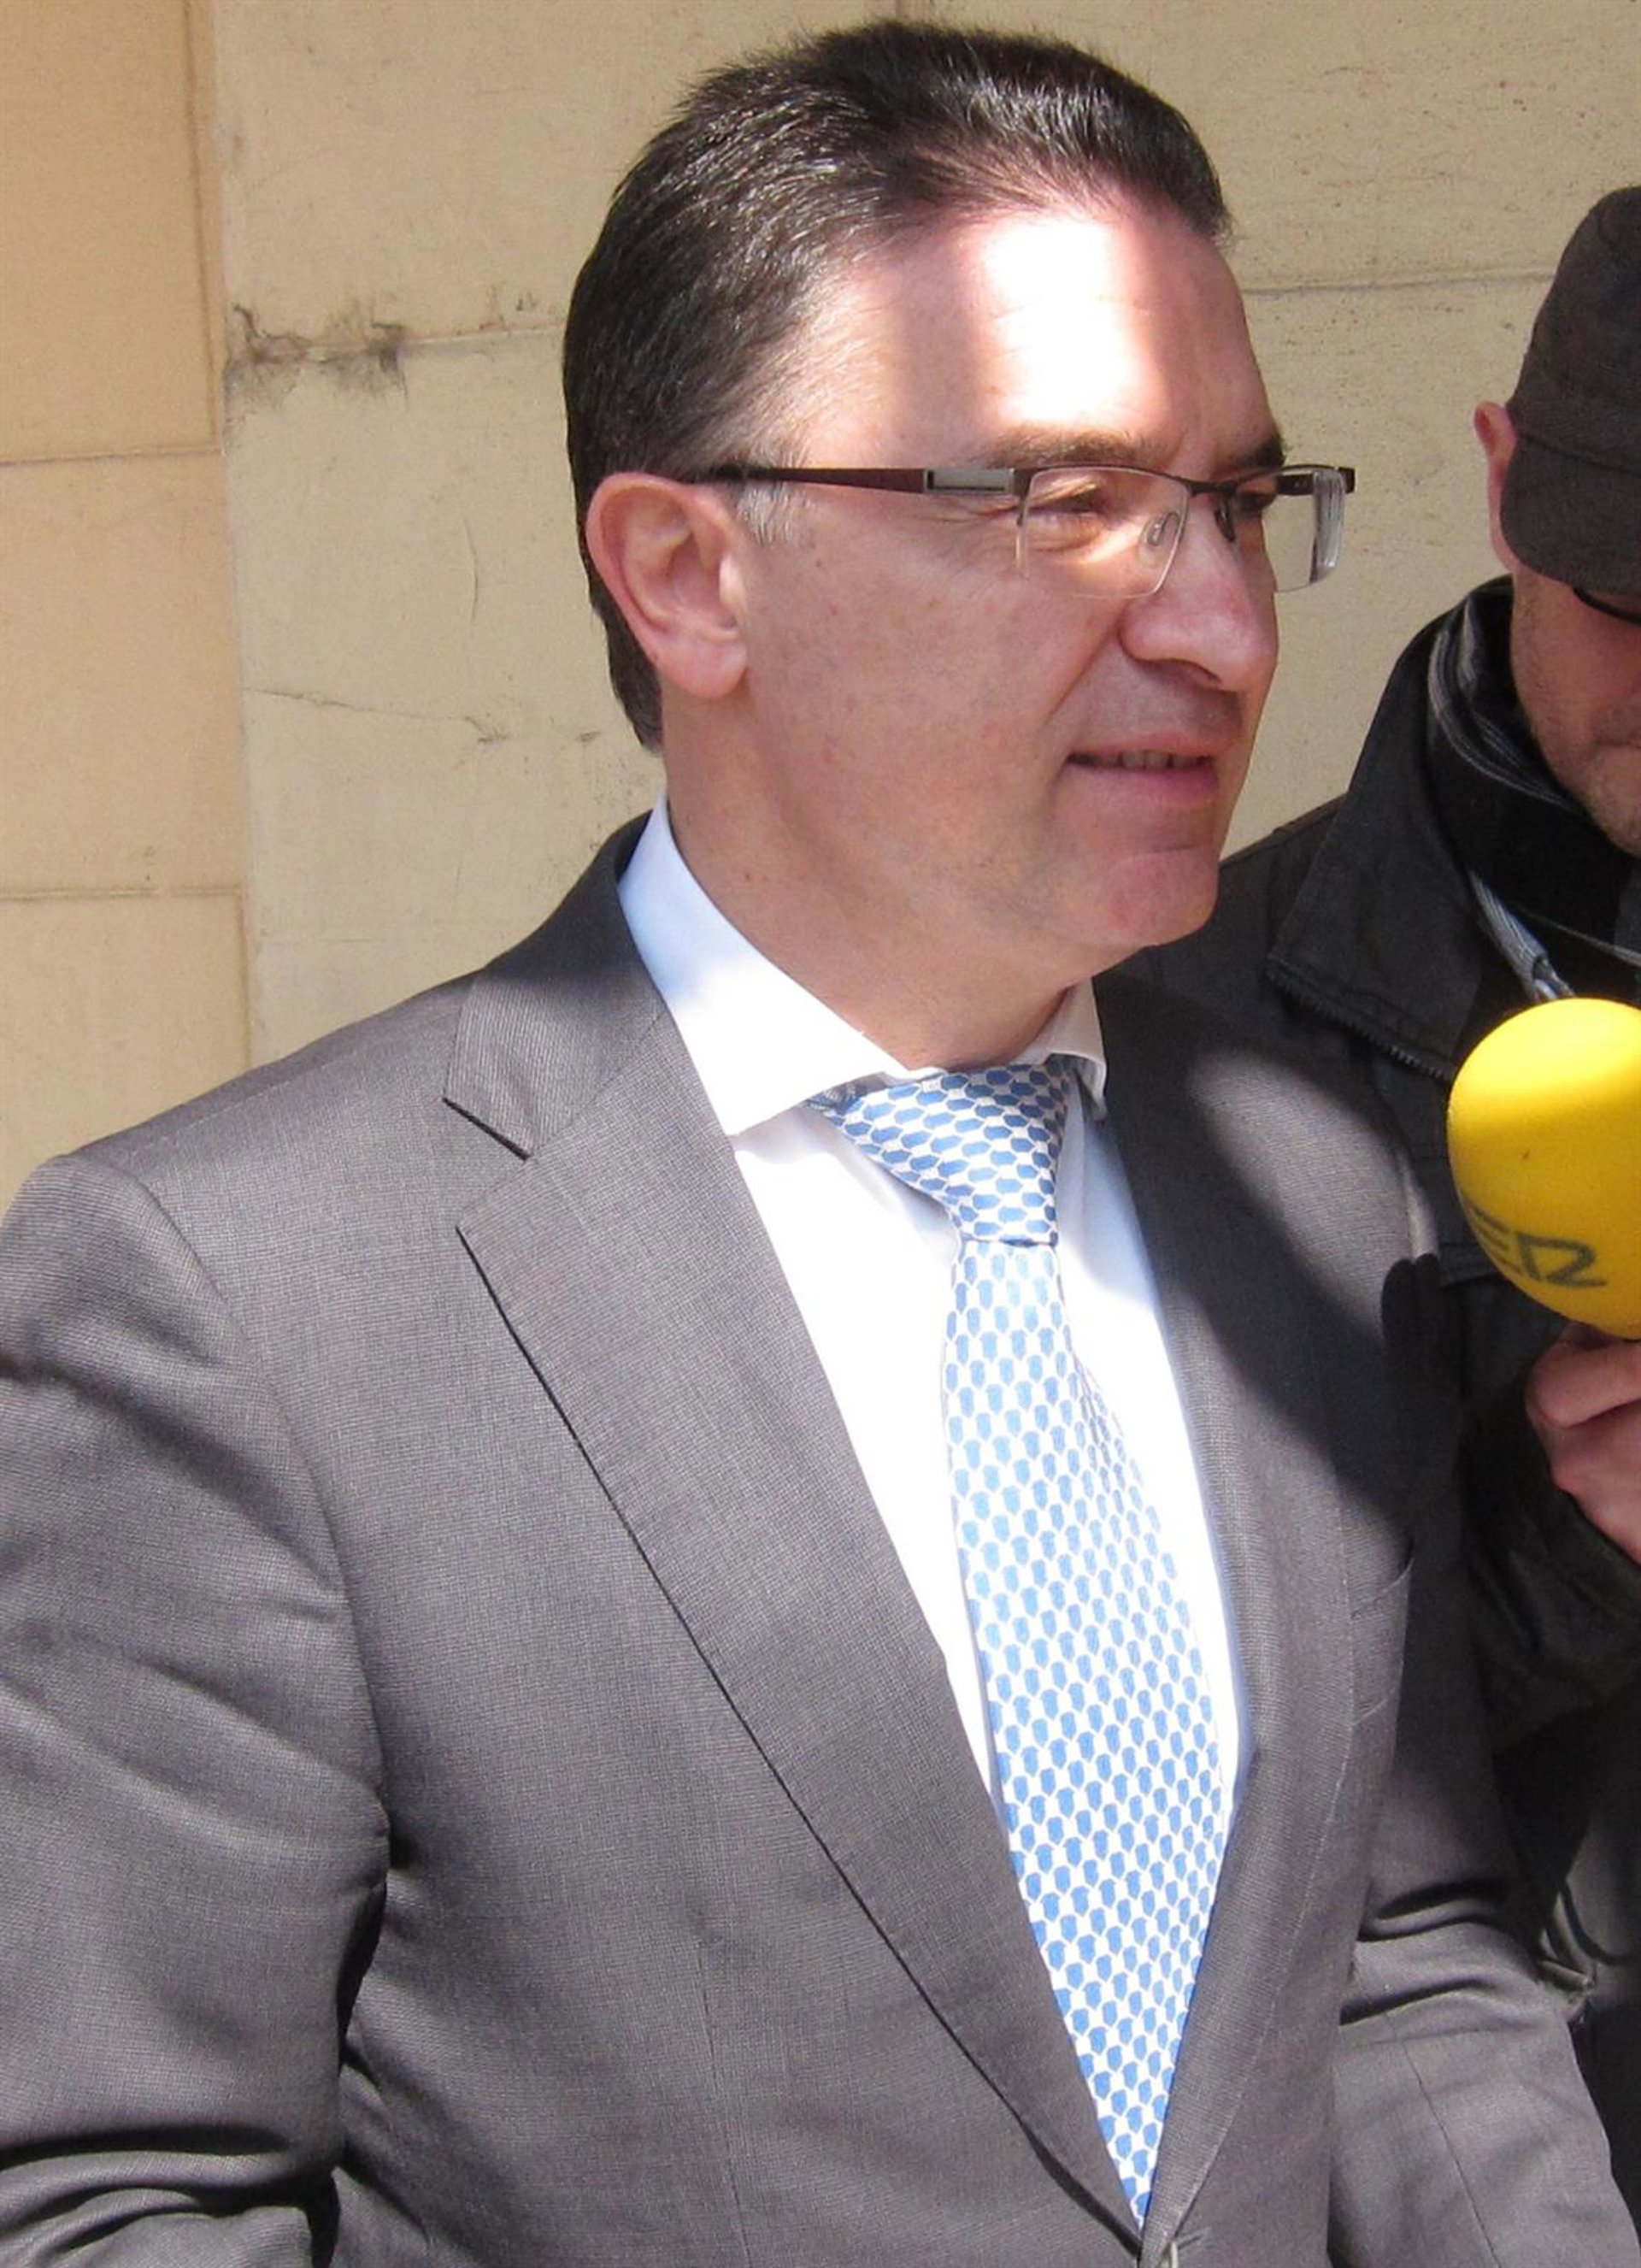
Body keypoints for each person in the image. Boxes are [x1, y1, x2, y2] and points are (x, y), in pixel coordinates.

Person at [0, 25, 1632, 2265]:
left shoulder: (1318, 1184)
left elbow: (1391, 1954)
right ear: (686, 571)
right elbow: (115, 2196)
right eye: (1064, 502)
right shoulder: (234, 1301)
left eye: (1243, 505)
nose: (1223, 625)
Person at [1143, 186, 1641, 2216]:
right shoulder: (1189, 1033)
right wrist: (1562, 1535)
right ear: (1504, 481)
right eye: (1632, 593)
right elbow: (1203, 1810)